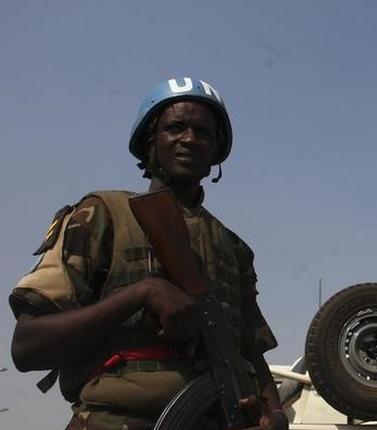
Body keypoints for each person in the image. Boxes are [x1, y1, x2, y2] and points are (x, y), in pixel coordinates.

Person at [9, 77, 287, 430]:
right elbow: (28, 346)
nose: (190, 139)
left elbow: (250, 353)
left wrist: (275, 413)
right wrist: (141, 293)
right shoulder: (103, 213)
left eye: (204, 132)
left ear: (217, 150)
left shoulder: (234, 248)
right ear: (150, 142)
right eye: (176, 127)